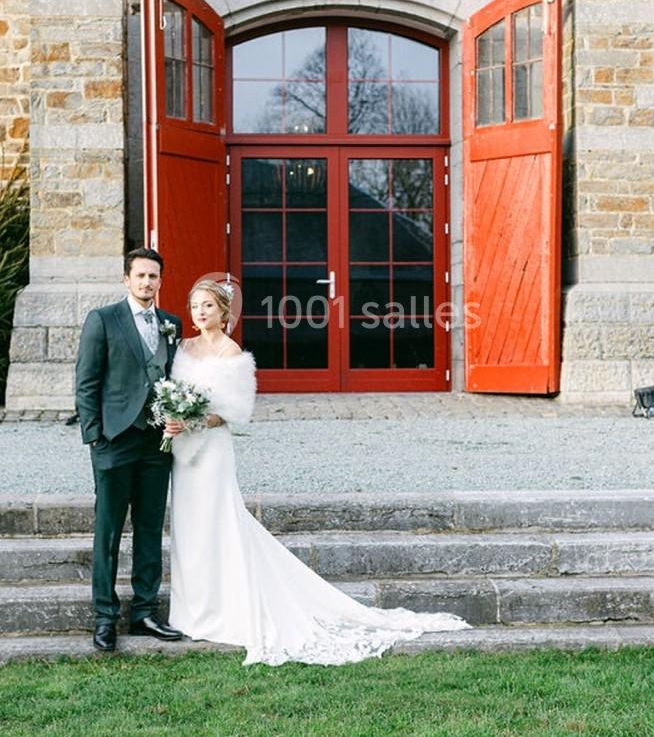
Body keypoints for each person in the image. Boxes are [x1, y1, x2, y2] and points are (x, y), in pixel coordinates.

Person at [163, 279, 470, 666]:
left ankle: (225, 610)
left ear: (224, 311)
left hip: (212, 450)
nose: (200, 312)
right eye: (195, 306)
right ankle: (191, 611)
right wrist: (172, 417)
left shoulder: (231, 351)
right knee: (189, 528)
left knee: (218, 523)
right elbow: (171, 392)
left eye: (208, 305)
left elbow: (233, 411)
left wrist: (193, 420)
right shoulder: (183, 349)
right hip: (181, 452)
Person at [74, 248, 184, 652]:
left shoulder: (172, 324)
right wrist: (95, 437)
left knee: (151, 528)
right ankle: (104, 617)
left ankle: (144, 612)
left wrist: (178, 418)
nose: (147, 283)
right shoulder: (102, 320)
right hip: (115, 441)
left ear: (160, 281)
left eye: (153, 276)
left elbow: (176, 380)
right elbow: (86, 382)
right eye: (140, 276)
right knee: (107, 532)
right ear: (126, 279)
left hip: (157, 442)